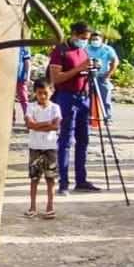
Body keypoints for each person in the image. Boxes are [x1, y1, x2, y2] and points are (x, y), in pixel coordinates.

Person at [49, 21, 101, 195]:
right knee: (65, 140)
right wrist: (79, 68)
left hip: (84, 97)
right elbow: (56, 78)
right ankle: (63, 182)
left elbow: (83, 71)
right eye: (82, 38)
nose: (84, 41)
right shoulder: (60, 51)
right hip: (66, 97)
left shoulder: (84, 51)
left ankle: (81, 180)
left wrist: (92, 69)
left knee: (83, 140)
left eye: (86, 39)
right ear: (73, 34)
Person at [24, 78, 62, 219]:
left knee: (50, 178)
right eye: (40, 93)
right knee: (34, 178)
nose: (43, 96)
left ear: (51, 92)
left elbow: (55, 126)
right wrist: (46, 124)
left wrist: (37, 125)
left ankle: (50, 207)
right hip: (35, 147)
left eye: (45, 93)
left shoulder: (55, 108)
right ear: (35, 93)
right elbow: (29, 125)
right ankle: (32, 206)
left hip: (50, 147)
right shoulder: (31, 106)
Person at [87, 30, 120, 124]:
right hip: (89, 77)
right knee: (88, 99)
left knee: (105, 98)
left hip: (102, 77)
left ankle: (108, 118)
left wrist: (109, 73)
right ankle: (91, 118)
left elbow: (115, 61)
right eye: (92, 39)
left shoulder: (107, 49)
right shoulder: (87, 48)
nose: (94, 41)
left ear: (101, 39)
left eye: (96, 39)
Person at [16, 44, 32, 121]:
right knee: (8, 99)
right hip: (8, 78)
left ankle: (28, 118)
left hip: (21, 78)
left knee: (24, 98)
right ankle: (11, 119)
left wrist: (28, 76)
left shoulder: (23, 46)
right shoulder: (7, 44)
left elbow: (27, 61)